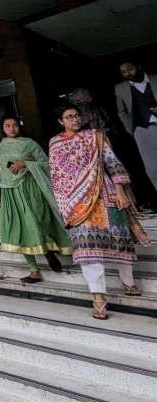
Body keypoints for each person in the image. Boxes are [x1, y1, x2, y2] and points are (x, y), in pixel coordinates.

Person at [49, 105, 148, 320]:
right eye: (69, 117)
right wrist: (67, 204)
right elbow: (57, 177)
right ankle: (98, 299)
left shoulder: (95, 136)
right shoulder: (55, 143)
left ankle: (128, 283)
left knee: (119, 239)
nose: (75, 119)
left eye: (77, 115)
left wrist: (120, 191)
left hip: (105, 194)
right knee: (87, 250)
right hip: (76, 205)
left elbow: (112, 162)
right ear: (60, 121)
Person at [0, 116, 72, 283]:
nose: (12, 128)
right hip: (9, 192)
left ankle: (49, 250)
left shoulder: (29, 143)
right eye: (7, 126)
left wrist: (26, 163)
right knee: (19, 228)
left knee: (36, 222)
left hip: (31, 189)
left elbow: (47, 163)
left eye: (15, 125)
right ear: (2, 128)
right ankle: (34, 270)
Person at [115, 61, 157, 194]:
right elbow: (121, 111)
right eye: (123, 72)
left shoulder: (155, 79)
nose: (127, 73)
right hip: (142, 130)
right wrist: (131, 129)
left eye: (130, 69)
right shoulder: (120, 88)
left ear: (138, 66)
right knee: (152, 167)